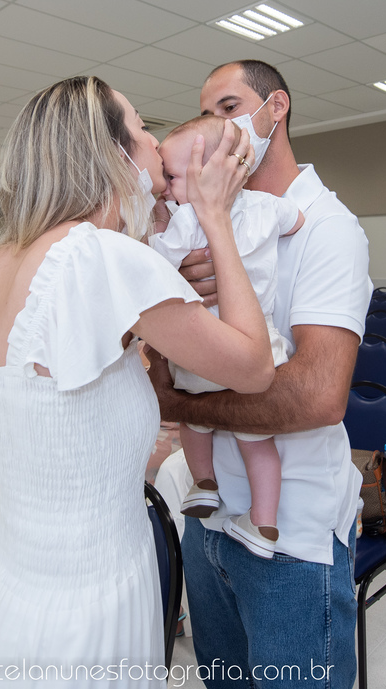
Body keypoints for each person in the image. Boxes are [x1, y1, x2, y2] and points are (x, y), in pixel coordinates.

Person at [0, 76, 275, 687]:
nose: (156, 141)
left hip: (9, 575)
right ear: (110, 150)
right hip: (85, 598)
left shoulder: (2, 261)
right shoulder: (100, 258)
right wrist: (216, 217)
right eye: (143, 126)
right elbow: (255, 367)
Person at [148, 60, 371, 689]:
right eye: (206, 115)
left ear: (276, 108)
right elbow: (160, 356)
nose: (216, 129)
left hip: (292, 535)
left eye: (228, 107)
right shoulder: (197, 224)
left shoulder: (326, 228)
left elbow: (317, 398)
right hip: (210, 516)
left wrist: (186, 406)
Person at [149, 115, 303, 558]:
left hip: (210, 351)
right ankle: (265, 522)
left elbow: (155, 260)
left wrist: (161, 223)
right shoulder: (264, 206)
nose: (166, 187)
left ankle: (203, 484)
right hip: (262, 345)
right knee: (257, 441)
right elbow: (296, 219)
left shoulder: (187, 222)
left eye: (173, 178)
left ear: (207, 172)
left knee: (194, 420)